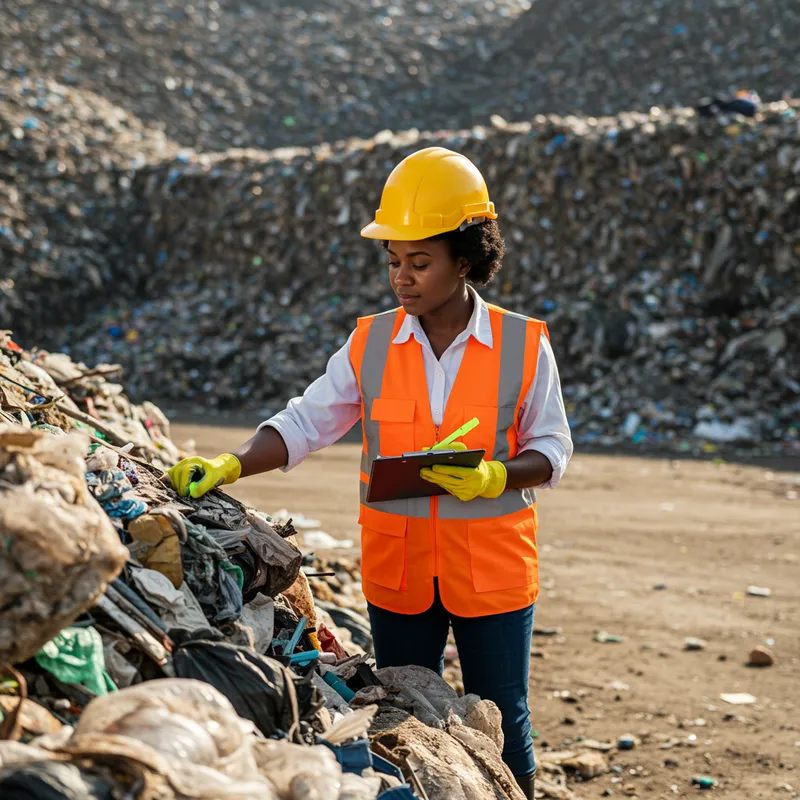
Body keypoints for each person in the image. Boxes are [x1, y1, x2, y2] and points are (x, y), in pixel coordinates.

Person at [167, 147, 572, 798]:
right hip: (401, 574)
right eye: (393, 262)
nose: (401, 278)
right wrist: (230, 464)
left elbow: (553, 447)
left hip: (493, 572)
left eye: (419, 262)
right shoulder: (371, 344)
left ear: (464, 259)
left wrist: (497, 476)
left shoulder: (523, 344)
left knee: (507, 720)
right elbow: (307, 422)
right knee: (403, 721)